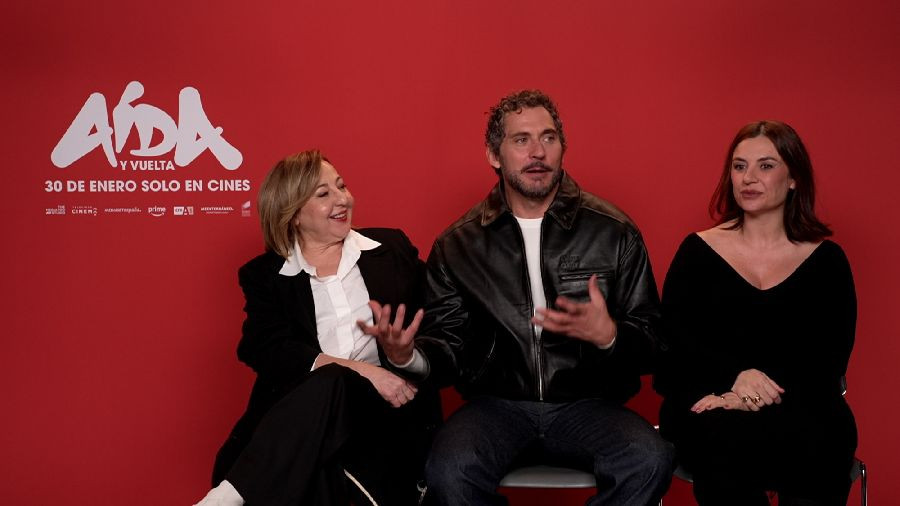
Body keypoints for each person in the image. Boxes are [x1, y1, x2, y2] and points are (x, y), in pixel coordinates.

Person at [366, 90, 673, 506]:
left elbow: (654, 341)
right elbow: (448, 347)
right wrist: (408, 358)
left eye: (548, 138)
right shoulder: (458, 245)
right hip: (496, 407)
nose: (537, 152)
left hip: (588, 404)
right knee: (449, 472)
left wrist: (611, 336)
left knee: (650, 459)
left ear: (562, 147)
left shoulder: (613, 231)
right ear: (494, 155)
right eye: (521, 140)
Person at [194, 150, 440, 506]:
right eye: (324, 194)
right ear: (293, 214)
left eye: (342, 186)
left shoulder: (392, 249)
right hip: (307, 424)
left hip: (385, 415)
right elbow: (263, 346)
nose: (342, 199)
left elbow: (442, 323)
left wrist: (406, 356)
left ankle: (225, 499)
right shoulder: (265, 276)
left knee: (330, 397)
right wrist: (363, 370)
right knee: (326, 418)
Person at [655, 121, 858, 506]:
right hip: (712, 404)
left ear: (794, 178)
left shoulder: (827, 261)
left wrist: (748, 397)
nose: (749, 178)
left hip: (803, 404)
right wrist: (733, 380)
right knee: (723, 444)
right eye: (739, 166)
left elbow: (828, 361)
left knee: (820, 443)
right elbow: (673, 351)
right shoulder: (697, 252)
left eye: (766, 165)